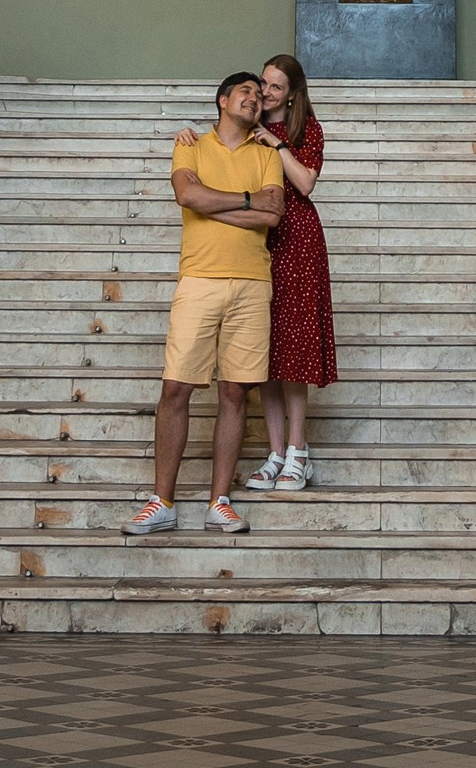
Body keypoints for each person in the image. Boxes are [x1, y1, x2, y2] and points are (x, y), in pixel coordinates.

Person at [123, 71, 284, 539]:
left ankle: (220, 503)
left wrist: (219, 204)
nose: (255, 99)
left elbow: (274, 213)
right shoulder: (190, 145)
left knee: (235, 393)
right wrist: (248, 202)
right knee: (176, 388)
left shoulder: (267, 153)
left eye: (259, 94)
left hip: (253, 283)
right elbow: (187, 195)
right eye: (245, 92)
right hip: (199, 280)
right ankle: (163, 501)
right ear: (222, 100)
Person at [244, 52, 337, 493]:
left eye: (275, 86)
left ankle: (299, 452)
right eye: (263, 82)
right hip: (258, 242)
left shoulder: (305, 130)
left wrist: (274, 142)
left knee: (294, 351)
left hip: (298, 241)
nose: (265, 91)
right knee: (264, 352)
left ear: (293, 94)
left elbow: (304, 183)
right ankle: (275, 452)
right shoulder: (246, 123)